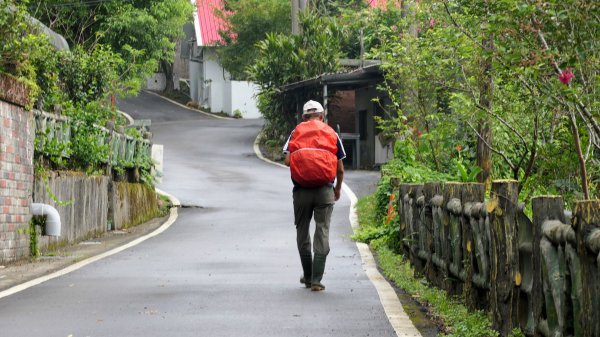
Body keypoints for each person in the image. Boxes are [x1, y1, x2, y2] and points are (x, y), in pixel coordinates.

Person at [283, 100, 345, 291]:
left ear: (304, 117)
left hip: (301, 191)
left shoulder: (296, 132)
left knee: (302, 232)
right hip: (324, 190)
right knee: (322, 231)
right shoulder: (331, 133)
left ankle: (308, 276)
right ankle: (317, 280)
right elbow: (340, 169)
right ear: (322, 115)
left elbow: (287, 161)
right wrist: (337, 188)